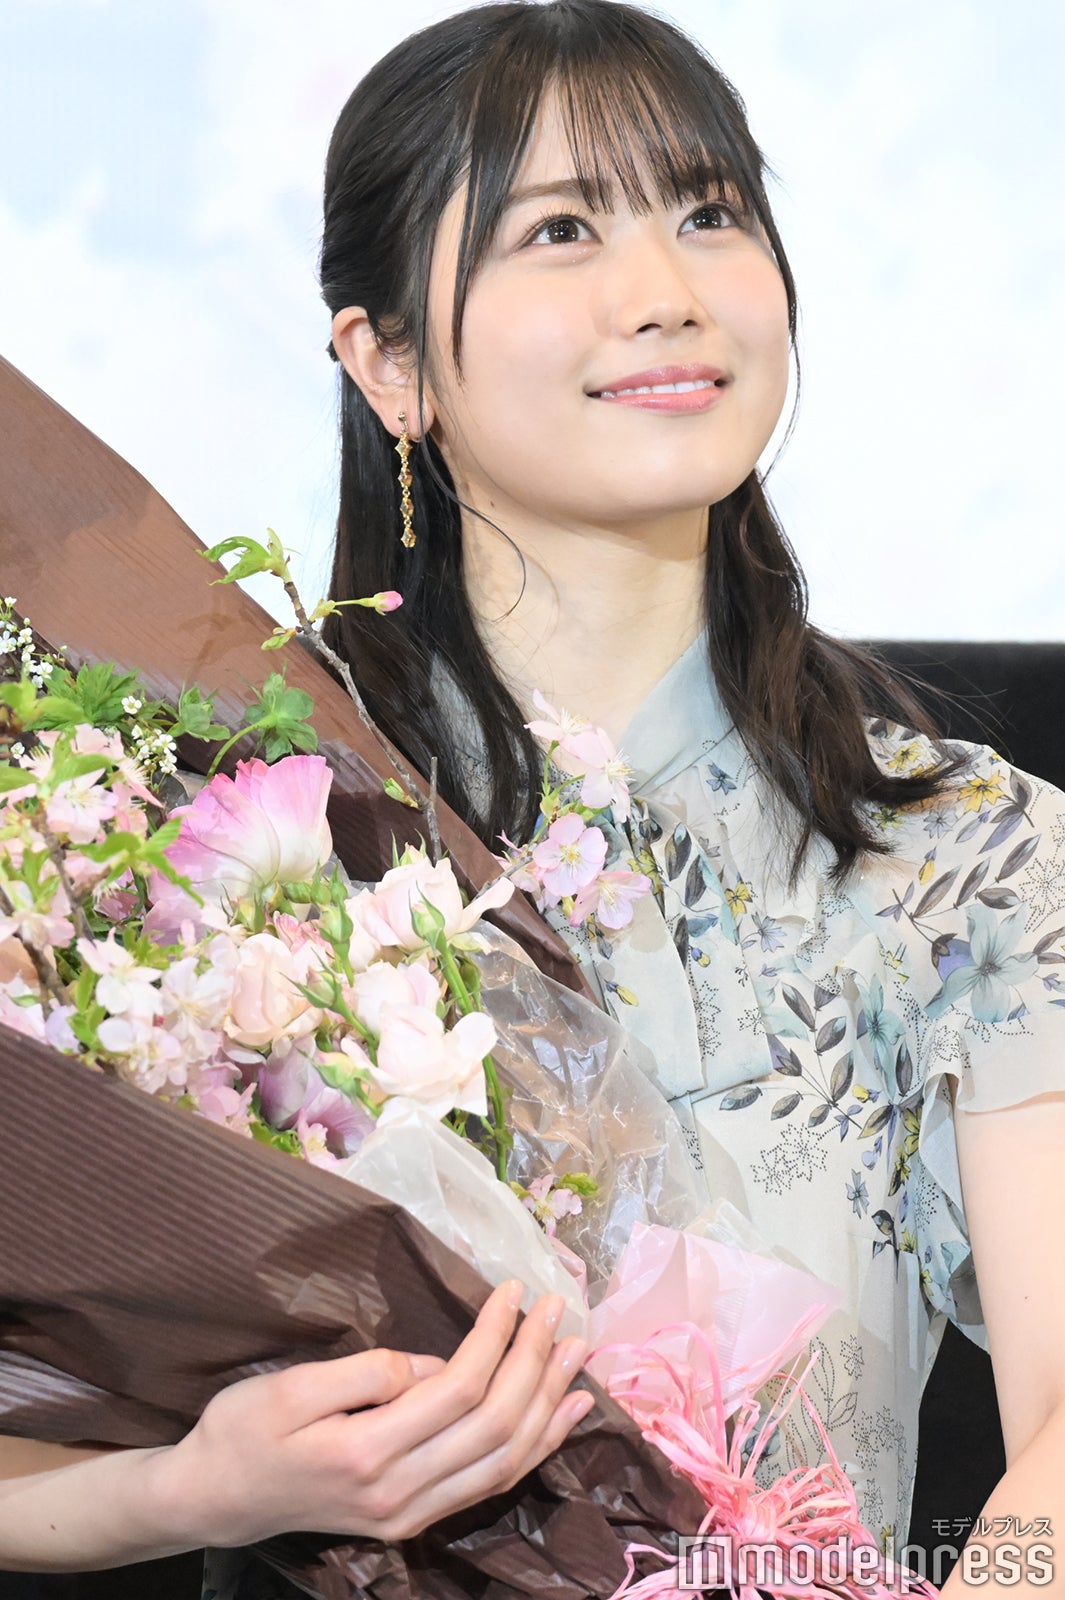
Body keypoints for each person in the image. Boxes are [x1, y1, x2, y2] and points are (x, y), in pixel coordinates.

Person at [2, 2, 1064, 1595]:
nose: (664, 291)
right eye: (560, 229)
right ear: (388, 364)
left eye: (708, 212)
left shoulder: (962, 853)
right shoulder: (209, 822)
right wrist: (191, 1489)